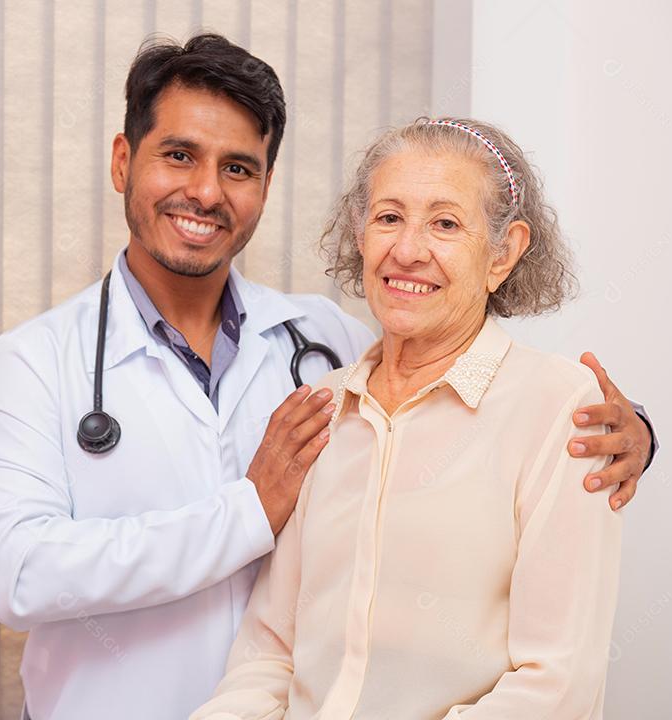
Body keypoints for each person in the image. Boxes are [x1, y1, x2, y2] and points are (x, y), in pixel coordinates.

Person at [0, 36, 657, 720]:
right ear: (124, 162)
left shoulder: (326, 346)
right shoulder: (38, 359)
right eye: (179, 155)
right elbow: (17, 575)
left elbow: (467, 380)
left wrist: (632, 435)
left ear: (265, 186)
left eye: (239, 168)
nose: (206, 191)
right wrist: (249, 509)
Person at [191, 118, 633, 719]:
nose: (406, 250)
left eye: (446, 224)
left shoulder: (560, 408)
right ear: (360, 233)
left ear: (503, 253)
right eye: (389, 217)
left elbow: (555, 683)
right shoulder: (323, 406)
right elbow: (269, 653)